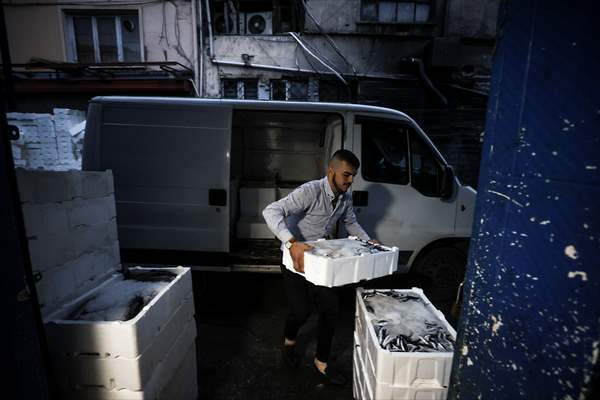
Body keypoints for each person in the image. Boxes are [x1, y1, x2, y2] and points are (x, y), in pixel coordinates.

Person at [262, 149, 378, 386]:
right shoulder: (309, 192)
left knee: (330, 308)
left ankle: (321, 362)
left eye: (353, 176)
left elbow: (350, 222)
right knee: (301, 311)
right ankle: (289, 343)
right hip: (295, 260)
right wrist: (291, 242)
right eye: (346, 175)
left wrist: (368, 241)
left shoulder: (345, 196)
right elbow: (271, 211)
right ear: (331, 171)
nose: (350, 180)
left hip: (322, 260)